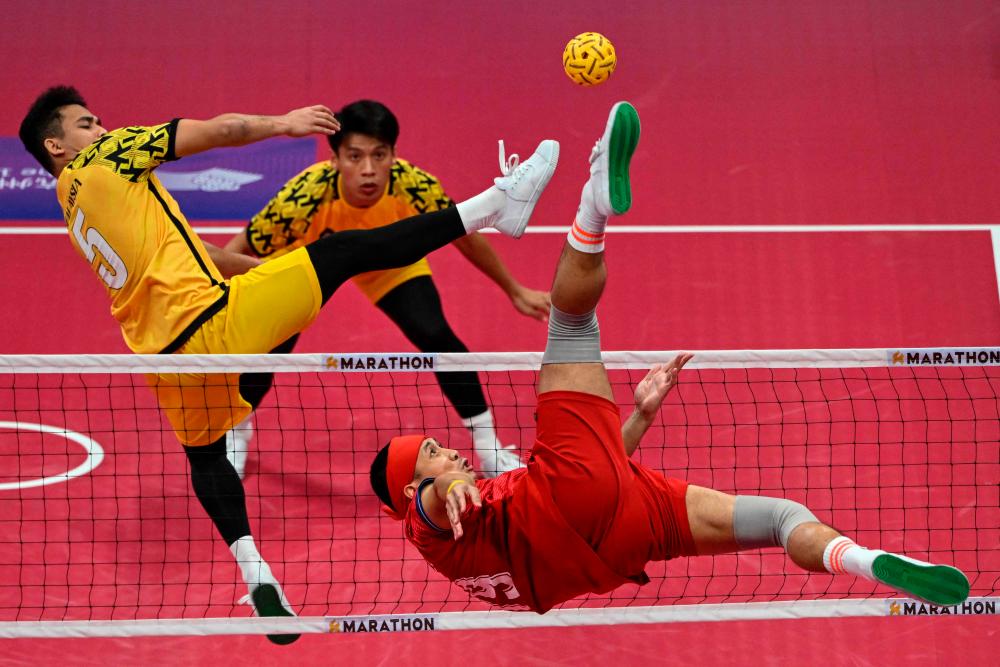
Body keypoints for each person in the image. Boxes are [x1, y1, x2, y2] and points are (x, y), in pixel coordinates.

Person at [369, 101, 971, 614]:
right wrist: (442, 489)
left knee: (782, 520)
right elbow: (436, 501)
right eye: (431, 453)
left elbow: (596, 480)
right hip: (568, 494)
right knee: (570, 318)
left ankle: (863, 560)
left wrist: (641, 417)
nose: (447, 450)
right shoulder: (431, 522)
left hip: (618, 540)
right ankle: (595, 198)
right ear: (410, 487)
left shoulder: (469, 548)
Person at [19, 85, 559, 640]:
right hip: (216, 322)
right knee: (346, 251)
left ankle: (256, 575)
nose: (101, 128)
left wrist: (266, 277)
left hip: (162, 357)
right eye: (86, 124)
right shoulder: (113, 156)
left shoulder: (75, 203)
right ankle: (495, 204)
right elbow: (222, 131)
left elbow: (202, 256)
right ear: (57, 144)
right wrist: (284, 122)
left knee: (206, 456)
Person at [222, 100, 546, 480]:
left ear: (394, 155)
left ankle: (490, 452)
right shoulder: (303, 198)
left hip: (387, 261)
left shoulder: (414, 185)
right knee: (269, 351)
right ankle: (236, 431)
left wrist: (514, 289)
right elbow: (241, 246)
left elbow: (467, 236)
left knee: (437, 334)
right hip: (306, 265)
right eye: (355, 156)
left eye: (379, 155)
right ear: (335, 159)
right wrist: (212, 300)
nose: (368, 170)